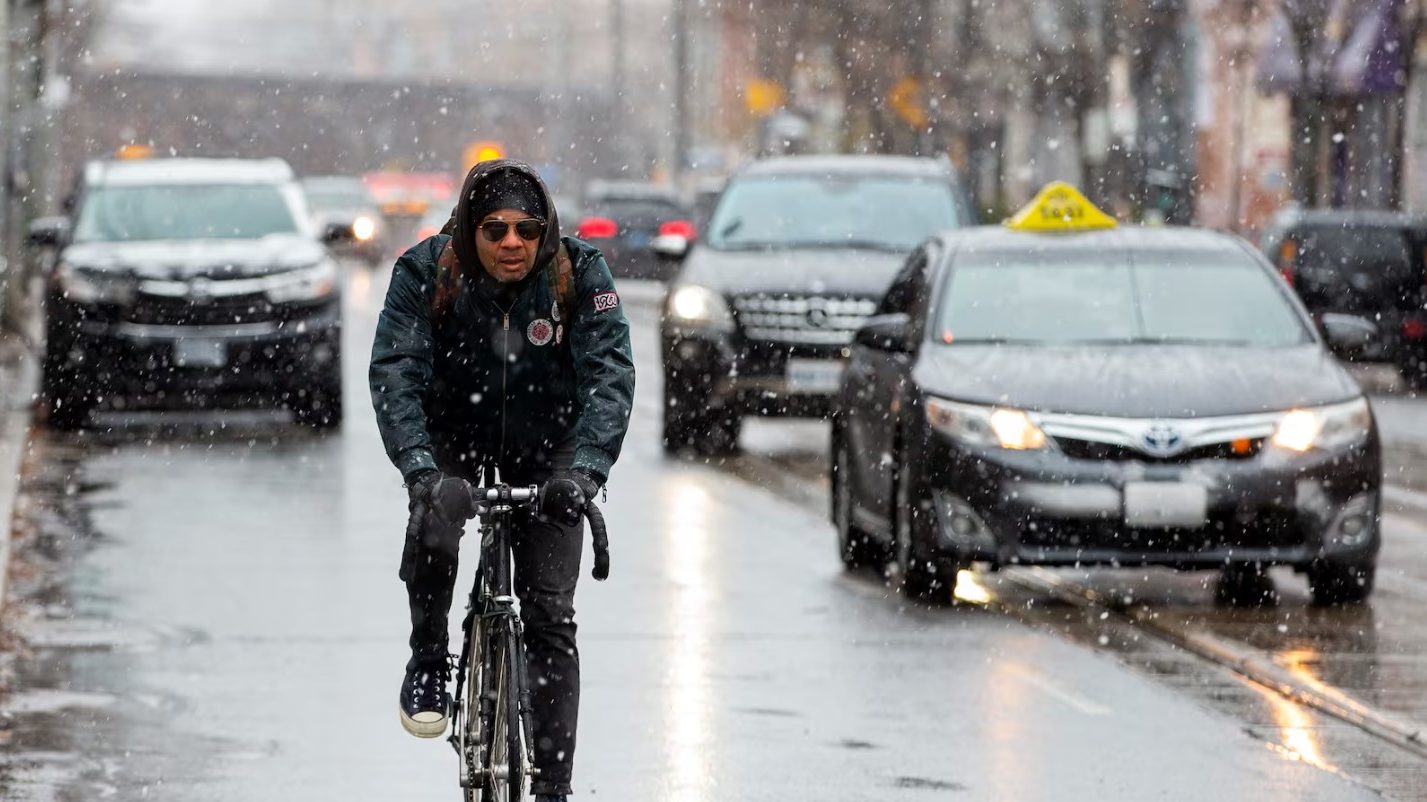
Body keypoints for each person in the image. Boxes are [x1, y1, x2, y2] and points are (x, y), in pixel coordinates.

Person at [370, 159, 635, 801]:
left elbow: (610, 375)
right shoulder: (425, 271)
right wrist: (422, 473)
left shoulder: (580, 274)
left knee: (550, 616)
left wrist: (586, 474)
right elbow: (396, 373)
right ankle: (431, 658)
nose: (511, 243)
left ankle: (552, 787)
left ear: (544, 232)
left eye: (526, 229)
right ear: (470, 230)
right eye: (495, 230)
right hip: (452, 437)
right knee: (437, 522)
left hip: (551, 446)